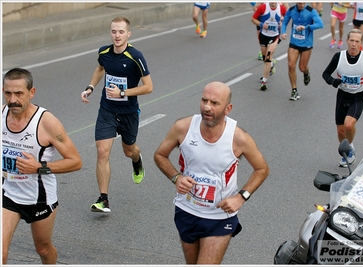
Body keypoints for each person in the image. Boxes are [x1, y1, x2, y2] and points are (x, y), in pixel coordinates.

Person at [153, 81, 270, 264]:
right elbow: (160, 155)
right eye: (204, 100)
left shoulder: (238, 138)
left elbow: (262, 169)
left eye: (214, 103)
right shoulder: (183, 128)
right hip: (187, 210)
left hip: (219, 217)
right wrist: (176, 178)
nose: (207, 107)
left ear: (227, 108)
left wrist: (241, 197)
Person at [2, 68, 82, 264]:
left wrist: (38, 167)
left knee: (43, 249)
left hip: (39, 198)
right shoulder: (2, 115)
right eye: (7, 93)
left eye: (19, 93)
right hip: (9, 193)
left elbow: (76, 161)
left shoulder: (47, 123)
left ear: (32, 92)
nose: (13, 99)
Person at [81, 17, 153, 213]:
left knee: (129, 151)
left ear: (128, 34)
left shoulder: (135, 56)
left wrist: (123, 93)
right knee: (102, 151)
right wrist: (90, 87)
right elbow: (100, 69)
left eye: (121, 32)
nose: (117, 35)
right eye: (114, 31)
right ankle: (103, 199)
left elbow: (148, 87)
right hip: (107, 110)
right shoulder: (104, 52)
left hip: (129, 112)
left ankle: (137, 161)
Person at [322, 29, 363, 167]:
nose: (354, 44)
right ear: (347, 41)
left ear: (361, 43)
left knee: (349, 124)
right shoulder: (339, 56)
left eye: (357, 41)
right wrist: (333, 81)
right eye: (352, 41)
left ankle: (349, 149)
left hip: (358, 97)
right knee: (340, 130)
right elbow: (325, 74)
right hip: (342, 96)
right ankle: (349, 149)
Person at [281, 3, 324, 101]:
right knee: (291, 65)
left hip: (306, 44)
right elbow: (284, 22)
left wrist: (307, 27)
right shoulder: (291, 10)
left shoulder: (310, 10)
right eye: (300, 3)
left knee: (302, 67)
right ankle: (294, 90)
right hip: (294, 42)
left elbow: (320, 24)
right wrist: (283, 32)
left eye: (303, 3)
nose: (302, 5)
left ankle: (306, 71)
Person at [252, 2, 287, 91]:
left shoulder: (282, 8)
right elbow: (253, 19)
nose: (272, 3)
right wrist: (261, 24)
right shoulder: (263, 7)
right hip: (263, 36)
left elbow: (287, 19)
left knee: (268, 57)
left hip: (274, 36)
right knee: (265, 59)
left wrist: (283, 32)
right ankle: (271, 65)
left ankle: (264, 81)